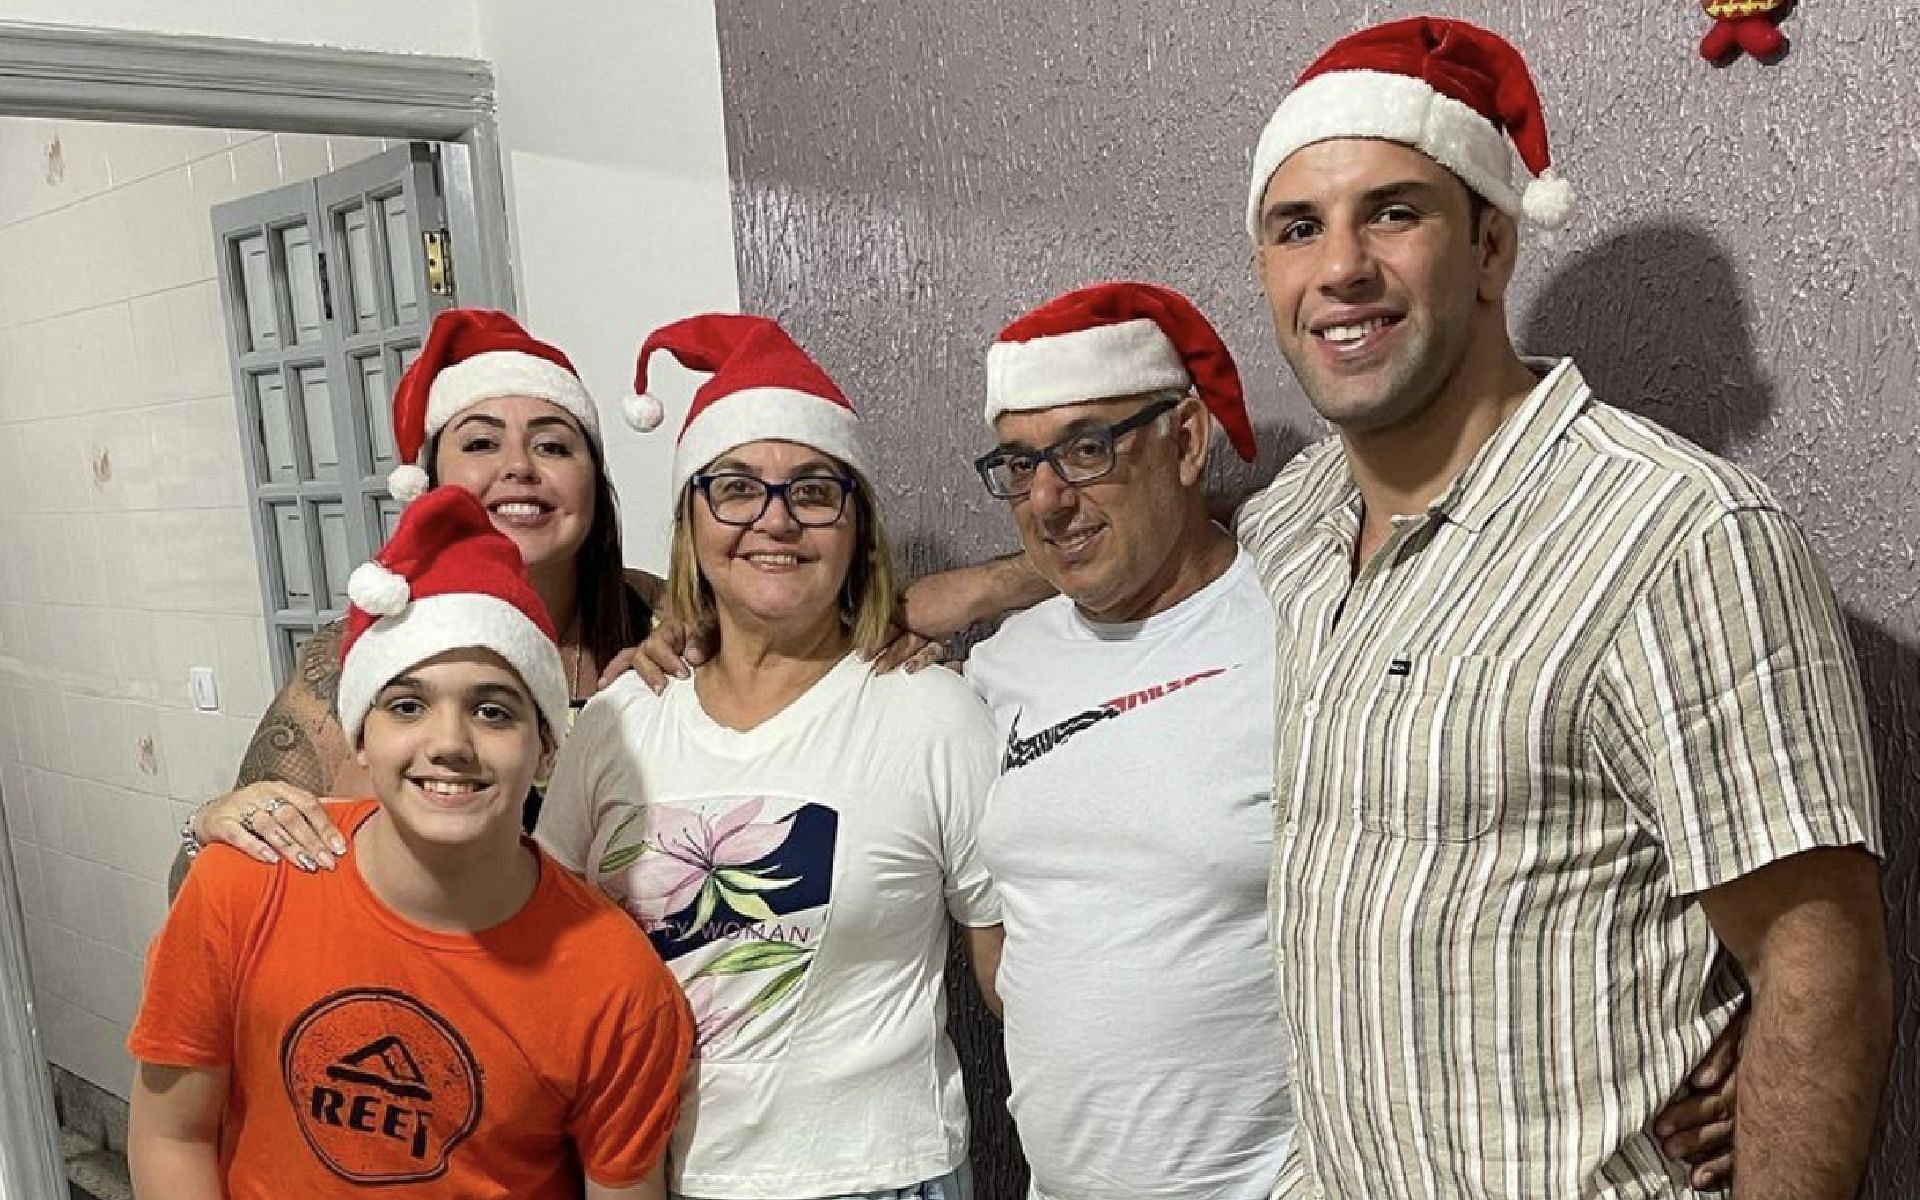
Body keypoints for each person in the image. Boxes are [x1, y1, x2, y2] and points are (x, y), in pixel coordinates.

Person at [1236, 16, 1888, 1198]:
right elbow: (1138, 546)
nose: (1339, 269)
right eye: (1298, 227)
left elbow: (1816, 961)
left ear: (1491, 246)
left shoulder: (1680, 538)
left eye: (1393, 211)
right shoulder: (1288, 528)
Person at [535, 313, 1003, 1200]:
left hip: (879, 1176)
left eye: (815, 489)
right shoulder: (619, 719)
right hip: (650, 1178)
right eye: (737, 488)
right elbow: (532, 949)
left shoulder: (932, 713)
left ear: (857, 527)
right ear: (692, 523)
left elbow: (1018, 972)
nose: (775, 521)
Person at [128, 485, 694, 1199]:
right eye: (407, 705)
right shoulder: (243, 886)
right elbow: (171, 1135)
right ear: (360, 736)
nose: (449, 743)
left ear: (547, 748)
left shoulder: (616, 982)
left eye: (493, 710)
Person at [964, 281, 1291, 1200]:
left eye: (1086, 448)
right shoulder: (998, 669)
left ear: (1185, 441)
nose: (1048, 500)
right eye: (1020, 464)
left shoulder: (1300, 627)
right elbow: (1011, 947)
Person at [172, 308, 658, 885]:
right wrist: (214, 825)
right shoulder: (363, 653)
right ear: (430, 482)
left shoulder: (664, 622)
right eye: (480, 442)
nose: (519, 467)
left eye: (553, 447)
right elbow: (204, 881)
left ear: (594, 484)